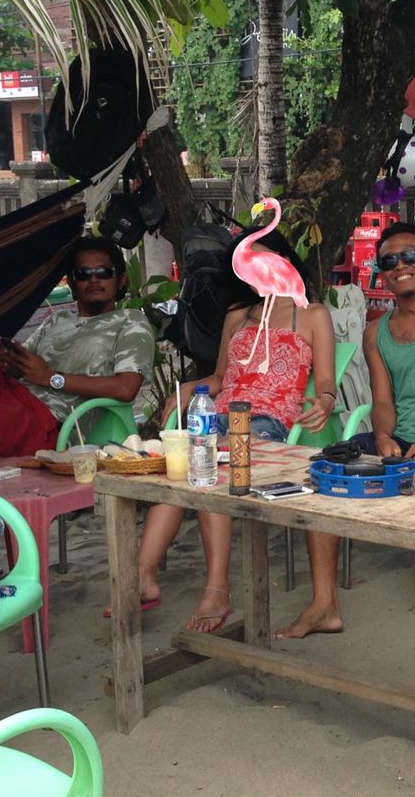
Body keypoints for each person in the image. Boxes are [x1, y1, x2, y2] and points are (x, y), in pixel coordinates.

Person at [277, 222, 415, 637]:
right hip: (401, 437)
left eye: (410, 256)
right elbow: (384, 402)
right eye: (389, 261)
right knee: (324, 474)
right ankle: (324, 603)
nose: (400, 266)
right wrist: (382, 438)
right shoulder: (376, 332)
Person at [135, 225, 338, 632]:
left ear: (283, 261)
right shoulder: (238, 315)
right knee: (179, 468)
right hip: (220, 413)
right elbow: (220, 377)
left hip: (266, 422)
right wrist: (190, 387)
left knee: (211, 468)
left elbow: (327, 383)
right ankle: (142, 577)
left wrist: (326, 402)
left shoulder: (312, 314)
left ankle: (217, 589)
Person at [0, 236, 154, 469]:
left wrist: (52, 378)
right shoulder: (57, 320)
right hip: (13, 395)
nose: (93, 279)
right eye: (83, 274)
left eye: (103, 272)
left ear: (121, 280)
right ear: (72, 284)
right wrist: (9, 364)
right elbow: (26, 367)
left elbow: (126, 388)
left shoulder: (130, 321)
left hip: (49, 423)